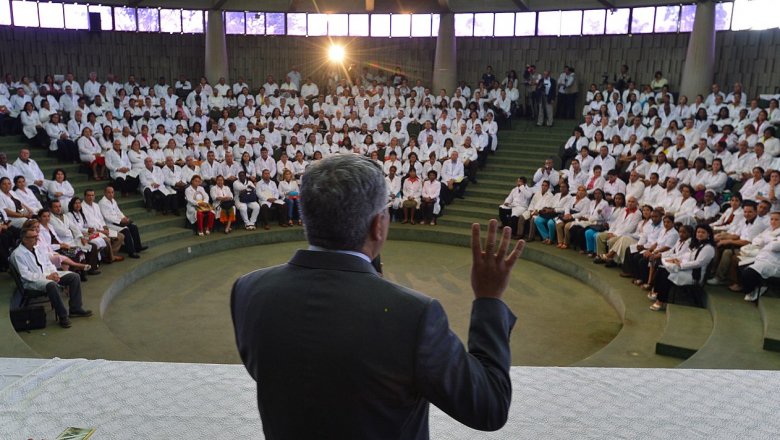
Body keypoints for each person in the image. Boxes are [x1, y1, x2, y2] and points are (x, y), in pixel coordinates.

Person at [231, 154, 523, 439]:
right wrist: (489, 299)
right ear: (378, 225)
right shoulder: (413, 315)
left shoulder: (248, 291)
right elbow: (489, 407)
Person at [11, 227, 92, 328]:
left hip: (48, 274)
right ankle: (63, 316)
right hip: (33, 282)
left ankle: (75, 309)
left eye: (37, 236)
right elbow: (26, 275)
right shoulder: (18, 254)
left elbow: (48, 263)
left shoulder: (37, 248)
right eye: (33, 237)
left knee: (74, 277)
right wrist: (47, 277)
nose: (37, 239)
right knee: (51, 285)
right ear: (24, 239)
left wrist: (54, 273)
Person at [649, 224, 715, 311]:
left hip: (694, 275)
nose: (700, 234)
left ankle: (661, 301)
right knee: (662, 269)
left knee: (667, 274)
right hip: (688, 269)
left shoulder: (708, 248)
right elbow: (686, 256)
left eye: (703, 232)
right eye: (698, 232)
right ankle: (658, 293)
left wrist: (680, 265)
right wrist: (676, 260)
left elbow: (698, 263)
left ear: (708, 234)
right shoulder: (697, 245)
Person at [99, 186, 146, 257]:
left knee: (133, 227)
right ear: (105, 193)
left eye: (112, 192)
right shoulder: (102, 203)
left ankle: (138, 247)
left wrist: (124, 218)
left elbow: (118, 212)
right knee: (126, 231)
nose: (111, 194)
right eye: (109, 192)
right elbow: (107, 217)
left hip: (118, 221)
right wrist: (120, 220)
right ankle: (131, 252)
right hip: (110, 224)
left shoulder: (113, 201)